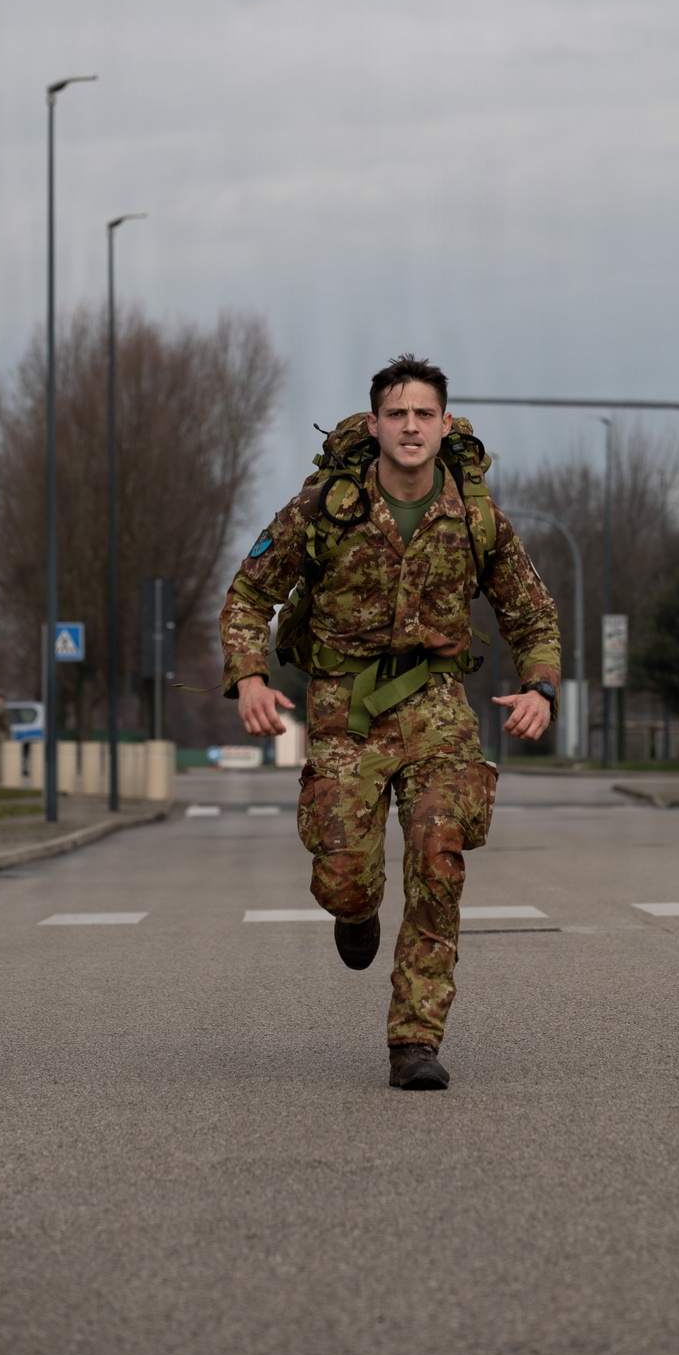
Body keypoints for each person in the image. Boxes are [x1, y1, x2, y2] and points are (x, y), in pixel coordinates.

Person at [218, 355, 560, 1090]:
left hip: (437, 710)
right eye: (397, 414)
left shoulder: (474, 515)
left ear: (443, 424)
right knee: (344, 878)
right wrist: (249, 676)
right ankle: (355, 912)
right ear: (374, 425)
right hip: (346, 712)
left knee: (439, 861)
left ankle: (415, 1040)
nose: (411, 426)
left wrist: (541, 688)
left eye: (424, 414)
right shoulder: (324, 507)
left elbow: (531, 612)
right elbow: (250, 592)